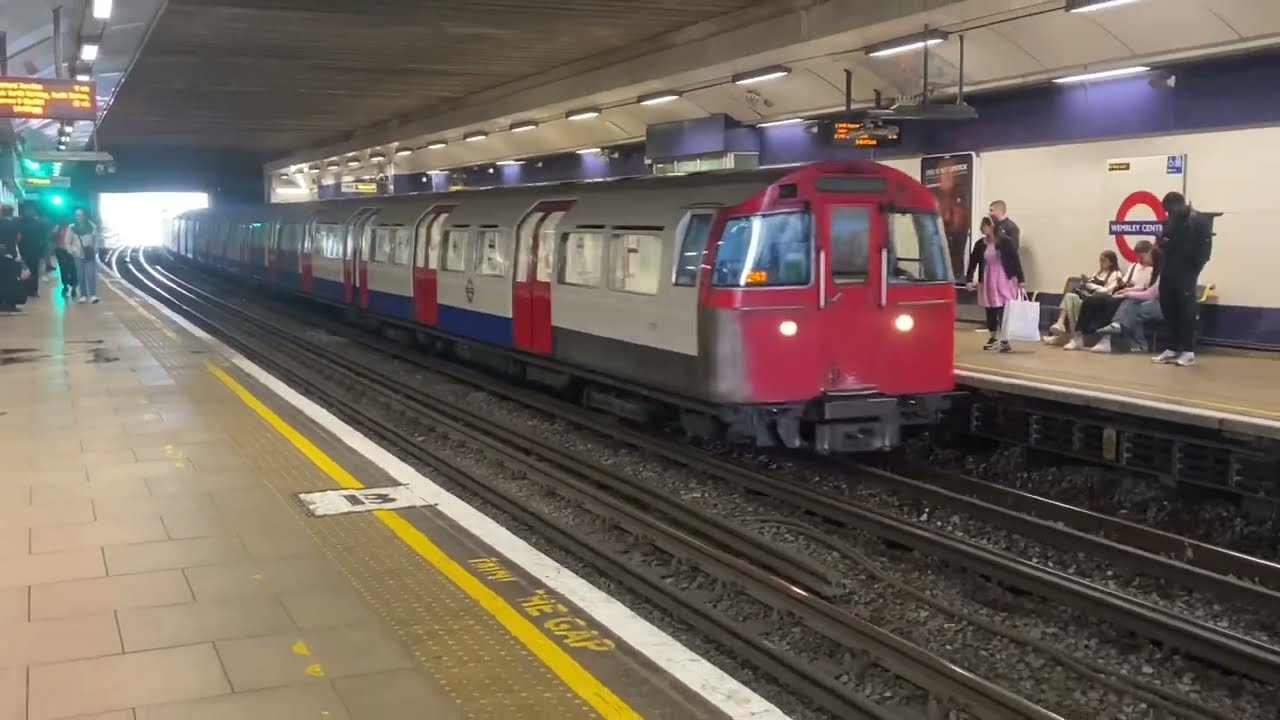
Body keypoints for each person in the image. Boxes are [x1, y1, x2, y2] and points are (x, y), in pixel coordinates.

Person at [1152, 192, 1212, 366]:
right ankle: (1172, 347)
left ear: (1177, 205)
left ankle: (1188, 350)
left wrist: (1194, 268)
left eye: (1169, 210)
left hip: (1187, 271)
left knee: (1186, 310)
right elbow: (1170, 243)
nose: (1167, 214)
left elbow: (1204, 249)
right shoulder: (1170, 222)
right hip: (1168, 269)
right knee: (1168, 307)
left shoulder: (1198, 221)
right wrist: (1162, 245)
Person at [1060, 240, 1156, 350]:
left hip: (1136, 298)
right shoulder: (1134, 267)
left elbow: (1147, 289)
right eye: (1138, 257)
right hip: (1124, 293)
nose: (1139, 260)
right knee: (1093, 300)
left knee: (1111, 303)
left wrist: (1128, 292)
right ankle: (1079, 335)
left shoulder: (1153, 270)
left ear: (1150, 253)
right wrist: (1122, 285)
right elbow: (1124, 283)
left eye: (1142, 257)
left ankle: (1106, 339)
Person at [965, 215, 1025, 352]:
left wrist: (1021, 279)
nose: (985, 228)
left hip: (1004, 278)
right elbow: (973, 262)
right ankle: (993, 336)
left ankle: (1005, 339)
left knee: (1004, 307)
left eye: (988, 225)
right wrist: (969, 279)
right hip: (988, 278)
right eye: (984, 225)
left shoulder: (1005, 242)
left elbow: (1015, 260)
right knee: (990, 307)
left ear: (994, 226)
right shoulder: (981, 244)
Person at [1044, 250, 1122, 343]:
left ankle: (1063, 335)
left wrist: (1089, 285)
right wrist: (1084, 283)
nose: (1101, 263)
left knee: (1071, 302)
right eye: (1100, 261)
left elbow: (1107, 291)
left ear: (1111, 262)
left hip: (1100, 303)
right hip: (1088, 298)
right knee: (1069, 296)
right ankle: (1060, 324)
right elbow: (1088, 284)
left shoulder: (1116, 274)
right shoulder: (1098, 273)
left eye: (1103, 261)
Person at [67, 208, 101, 304]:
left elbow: (96, 239)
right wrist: (72, 251)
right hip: (77, 254)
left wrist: (95, 249)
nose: (79, 217)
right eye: (77, 215)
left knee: (91, 274)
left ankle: (93, 295)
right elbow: (68, 241)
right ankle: (83, 295)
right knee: (80, 275)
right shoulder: (71, 228)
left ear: (85, 216)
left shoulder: (92, 226)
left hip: (89, 253)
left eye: (81, 215)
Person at [17, 202, 50, 299]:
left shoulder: (20, 223)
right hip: (35, 249)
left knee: (24, 269)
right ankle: (33, 290)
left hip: (23, 249)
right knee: (34, 270)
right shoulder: (39, 223)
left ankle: (25, 289)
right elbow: (43, 238)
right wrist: (43, 250)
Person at [0, 205, 27, 312]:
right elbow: (18, 239)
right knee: (11, 280)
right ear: (11, 213)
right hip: (11, 255)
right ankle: (10, 303)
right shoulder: (14, 225)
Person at [53, 224, 78, 298]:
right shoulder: (58, 227)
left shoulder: (73, 228)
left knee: (72, 268)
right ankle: (66, 285)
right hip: (61, 250)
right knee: (64, 268)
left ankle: (72, 285)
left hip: (71, 250)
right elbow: (53, 238)